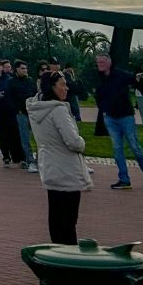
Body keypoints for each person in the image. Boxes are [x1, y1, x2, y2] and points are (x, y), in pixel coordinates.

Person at [28, 71, 92, 244]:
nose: (66, 88)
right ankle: (69, 255)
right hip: (66, 168)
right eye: (62, 85)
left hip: (49, 165)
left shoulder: (36, 109)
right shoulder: (58, 110)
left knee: (55, 216)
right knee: (68, 220)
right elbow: (73, 142)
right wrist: (81, 142)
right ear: (52, 87)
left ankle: (58, 250)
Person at [94, 54, 143, 190]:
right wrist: (104, 110)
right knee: (117, 148)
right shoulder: (100, 79)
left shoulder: (120, 74)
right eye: (98, 62)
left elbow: (134, 79)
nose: (100, 64)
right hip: (110, 118)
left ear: (109, 62)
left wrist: (140, 78)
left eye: (102, 62)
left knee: (134, 146)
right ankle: (124, 179)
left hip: (126, 116)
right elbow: (99, 95)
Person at [7, 60, 38, 173]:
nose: (25, 70)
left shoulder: (29, 81)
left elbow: (34, 94)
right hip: (21, 113)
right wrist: (17, 109)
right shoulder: (11, 83)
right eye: (23, 68)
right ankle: (30, 161)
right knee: (25, 139)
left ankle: (39, 160)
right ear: (17, 69)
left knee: (38, 137)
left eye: (26, 68)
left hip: (32, 112)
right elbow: (9, 98)